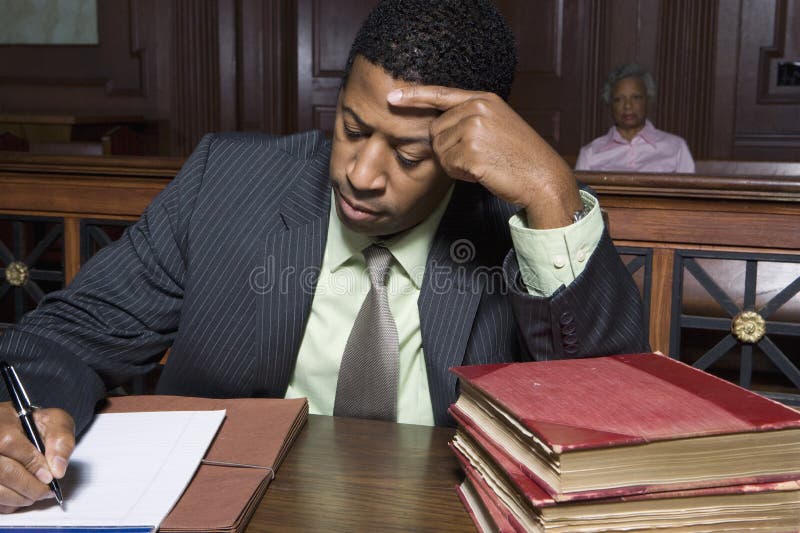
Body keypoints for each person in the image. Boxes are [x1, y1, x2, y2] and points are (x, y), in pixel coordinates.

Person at [0, 0, 647, 513]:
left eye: (409, 154)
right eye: (352, 128)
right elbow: (66, 336)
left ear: (463, 154)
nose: (362, 174)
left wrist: (552, 192)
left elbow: (607, 417)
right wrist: (26, 425)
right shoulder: (227, 182)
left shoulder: (519, 226)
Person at [575, 63, 695, 173]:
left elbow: (689, 194)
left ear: (648, 100)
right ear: (610, 104)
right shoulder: (590, 153)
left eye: (636, 97)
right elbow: (578, 196)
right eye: (619, 99)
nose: (627, 106)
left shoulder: (676, 147)